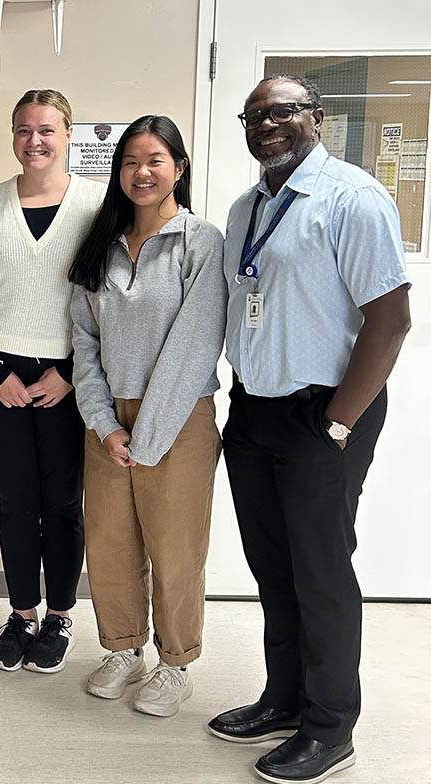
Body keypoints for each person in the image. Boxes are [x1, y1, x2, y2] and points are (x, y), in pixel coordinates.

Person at [207, 74, 410, 784]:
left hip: (324, 413)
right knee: (274, 568)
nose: (267, 122)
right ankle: (285, 699)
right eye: (255, 114)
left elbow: (390, 322)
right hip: (256, 409)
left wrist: (337, 424)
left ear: (316, 118)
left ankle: (331, 728)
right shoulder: (246, 206)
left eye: (283, 110)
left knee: (321, 572)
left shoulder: (352, 197)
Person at [69, 116, 225, 717]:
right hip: (107, 417)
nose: (142, 172)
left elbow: (196, 342)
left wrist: (150, 434)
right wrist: (105, 423)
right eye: (131, 161)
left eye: (155, 160)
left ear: (179, 169)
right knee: (109, 541)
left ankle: (175, 662)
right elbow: (83, 339)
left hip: (180, 414)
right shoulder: (99, 243)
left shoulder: (200, 242)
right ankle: (122, 649)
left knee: (176, 544)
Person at [0, 89, 104, 674]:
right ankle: (21, 611)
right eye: (22, 130)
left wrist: (68, 374)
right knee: (16, 503)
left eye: (46, 130)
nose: (33, 141)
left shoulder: (98, 205)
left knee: (63, 504)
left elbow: (107, 297)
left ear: (68, 134)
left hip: (70, 377)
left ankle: (60, 616)